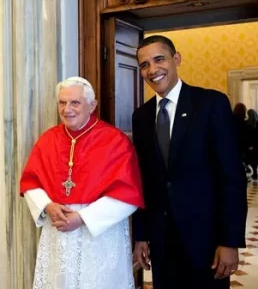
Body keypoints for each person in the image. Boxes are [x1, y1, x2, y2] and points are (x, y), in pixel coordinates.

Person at [132, 35, 247, 289]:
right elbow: (142, 181)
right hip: (162, 244)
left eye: (159, 59)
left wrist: (229, 241)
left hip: (207, 242)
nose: (152, 70)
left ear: (176, 59)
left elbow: (232, 177)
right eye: (144, 65)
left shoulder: (211, 104)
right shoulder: (140, 117)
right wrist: (140, 236)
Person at [20, 76, 144, 289]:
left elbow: (128, 195)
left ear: (92, 105)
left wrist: (83, 217)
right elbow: (31, 182)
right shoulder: (48, 139)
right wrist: (47, 206)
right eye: (62, 102)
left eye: (75, 103)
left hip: (99, 236)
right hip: (58, 233)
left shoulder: (114, 141)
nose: (67, 109)